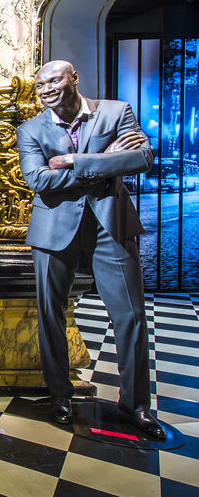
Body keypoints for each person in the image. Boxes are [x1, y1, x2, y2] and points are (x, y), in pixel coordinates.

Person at [17, 59, 163, 439]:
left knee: (130, 316)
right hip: (53, 230)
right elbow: (38, 180)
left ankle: (137, 406)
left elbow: (142, 158)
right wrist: (107, 161)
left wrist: (76, 160)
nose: (46, 88)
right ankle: (60, 395)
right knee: (51, 314)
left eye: (54, 80)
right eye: (40, 85)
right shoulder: (31, 129)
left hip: (109, 226)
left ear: (74, 78)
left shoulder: (116, 112)